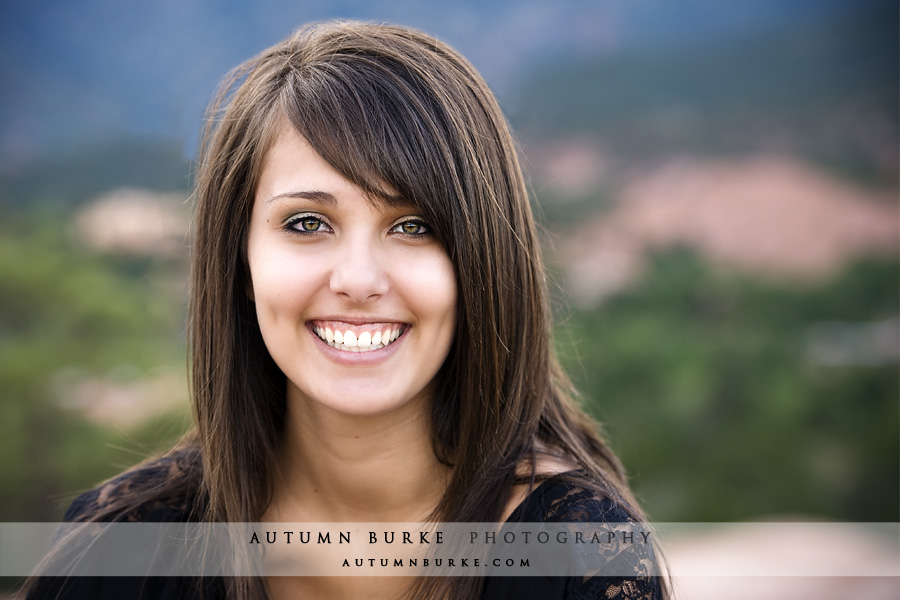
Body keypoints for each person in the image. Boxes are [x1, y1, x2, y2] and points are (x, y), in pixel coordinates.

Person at [24, 20, 668, 600]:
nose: (358, 280)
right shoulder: (117, 552)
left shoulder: (582, 561)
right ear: (239, 260)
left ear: (482, 263)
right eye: (307, 223)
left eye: (415, 226)